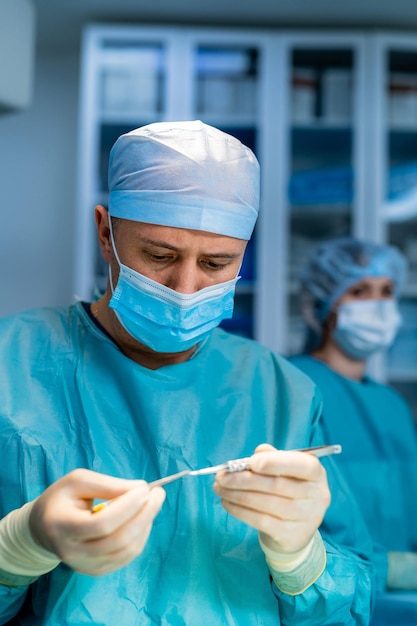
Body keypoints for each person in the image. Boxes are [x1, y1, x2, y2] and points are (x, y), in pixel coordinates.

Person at [0, 122, 373, 625]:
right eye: (160, 255)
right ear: (105, 232)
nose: (185, 287)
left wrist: (302, 560)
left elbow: (350, 604)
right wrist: (18, 547)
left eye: (218, 263)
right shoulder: (12, 366)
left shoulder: (282, 393)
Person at [290, 236, 417, 624]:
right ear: (322, 305)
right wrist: (392, 568)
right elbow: (290, 520)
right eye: (360, 291)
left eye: (387, 292)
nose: (377, 306)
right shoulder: (293, 386)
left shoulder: (392, 404)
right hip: (327, 600)